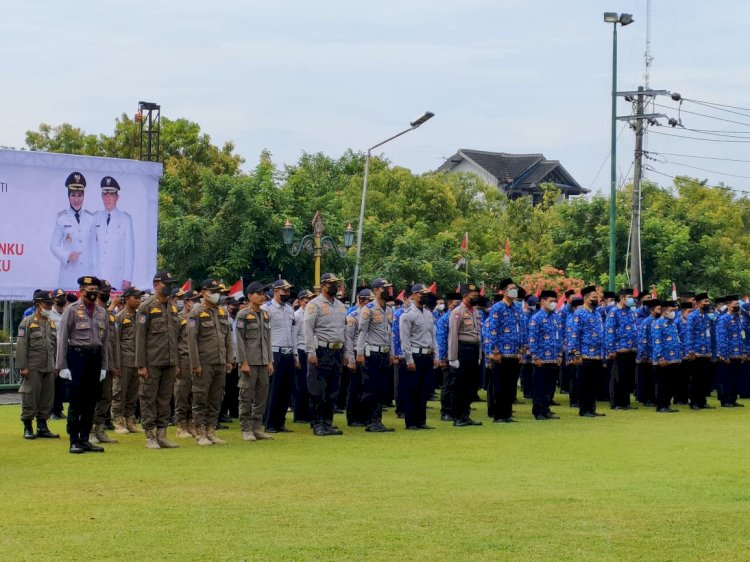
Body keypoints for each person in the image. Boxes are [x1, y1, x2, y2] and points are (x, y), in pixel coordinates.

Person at [56, 276, 109, 454]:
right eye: (89, 290)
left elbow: (105, 342)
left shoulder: (102, 312)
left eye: (95, 289)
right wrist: (62, 365)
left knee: (91, 401)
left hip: (94, 359)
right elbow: (62, 339)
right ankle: (74, 440)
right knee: (76, 401)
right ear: (81, 291)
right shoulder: (71, 310)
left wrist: (104, 366)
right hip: (77, 358)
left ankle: (86, 438)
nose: (93, 293)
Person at [136, 271, 181, 449]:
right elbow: (140, 338)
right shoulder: (146, 307)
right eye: (166, 283)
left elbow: (176, 337)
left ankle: (162, 434)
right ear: (156, 285)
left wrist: (176, 362)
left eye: (171, 283)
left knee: (165, 399)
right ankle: (150, 436)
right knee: (148, 398)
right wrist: (141, 365)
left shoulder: (173, 307)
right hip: (152, 362)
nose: (169, 287)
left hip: (169, 361)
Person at [187, 278, 234, 445]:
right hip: (204, 362)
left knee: (216, 398)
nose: (216, 295)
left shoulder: (222, 312)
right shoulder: (196, 313)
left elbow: (228, 337)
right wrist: (195, 364)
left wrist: (229, 359)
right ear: (204, 293)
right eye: (213, 291)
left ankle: (210, 430)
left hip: (220, 362)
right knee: (201, 397)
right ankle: (200, 433)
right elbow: (191, 341)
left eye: (218, 292)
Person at [304, 273, 348, 436]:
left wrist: (346, 352)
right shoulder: (314, 305)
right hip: (321, 350)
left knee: (333, 389)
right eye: (331, 284)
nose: (335, 286)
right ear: (323, 285)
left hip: (337, 350)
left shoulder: (340, 305)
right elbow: (308, 330)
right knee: (318, 389)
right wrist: (311, 352)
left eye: (336, 283)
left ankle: (328, 422)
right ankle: (317, 423)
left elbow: (345, 330)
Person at [16, 290, 60, 440]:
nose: (49, 307)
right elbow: (21, 346)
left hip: (48, 366)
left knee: (47, 398)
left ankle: (42, 426)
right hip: (33, 366)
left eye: (50, 304)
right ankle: (27, 427)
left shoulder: (51, 323)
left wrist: (55, 365)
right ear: (37, 304)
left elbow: (55, 346)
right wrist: (23, 366)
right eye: (47, 304)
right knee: (30, 397)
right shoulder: (27, 322)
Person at [236, 281, 274, 442]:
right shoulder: (243, 315)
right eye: (258, 293)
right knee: (246, 395)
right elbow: (239, 340)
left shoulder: (265, 315)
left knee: (261, 395)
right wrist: (243, 361)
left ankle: (257, 428)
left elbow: (268, 339)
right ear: (250, 296)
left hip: (263, 361)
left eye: (263, 293)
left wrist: (270, 361)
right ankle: (246, 429)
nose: (262, 296)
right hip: (249, 362)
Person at [356, 279, 396, 433]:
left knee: (381, 389)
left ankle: (377, 420)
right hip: (371, 352)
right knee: (370, 388)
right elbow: (362, 332)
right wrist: (359, 353)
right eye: (386, 288)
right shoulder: (369, 309)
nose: (389, 291)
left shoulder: (388, 310)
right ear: (377, 290)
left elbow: (389, 333)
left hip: (384, 353)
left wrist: (391, 353)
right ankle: (370, 421)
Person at [399, 283, 439, 430]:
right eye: (421, 293)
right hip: (414, 355)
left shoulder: (428, 313)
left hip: (427, 355)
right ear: (414, 295)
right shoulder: (407, 314)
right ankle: (411, 422)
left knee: (424, 390)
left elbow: (433, 336)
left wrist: (436, 355)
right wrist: (409, 359)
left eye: (425, 293)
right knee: (412, 390)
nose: (424, 296)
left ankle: (421, 421)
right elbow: (405, 339)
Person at [261, 279, 299, 433]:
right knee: (274, 390)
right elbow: (264, 335)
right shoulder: (266, 309)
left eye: (288, 291)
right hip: (275, 352)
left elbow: (293, 334)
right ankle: (269, 423)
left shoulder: (290, 309)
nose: (287, 294)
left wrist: (295, 355)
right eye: (284, 291)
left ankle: (280, 422)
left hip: (288, 352)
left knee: (286, 390)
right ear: (276, 291)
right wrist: (268, 358)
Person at [484, 278, 524, 423]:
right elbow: (492, 330)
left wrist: (521, 350)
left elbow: (521, 330)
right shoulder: (498, 308)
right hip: (501, 354)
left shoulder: (517, 308)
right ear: (504, 291)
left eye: (515, 288)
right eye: (512, 288)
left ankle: (507, 414)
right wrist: (494, 351)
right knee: (500, 386)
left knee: (511, 386)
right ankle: (499, 415)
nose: (515, 291)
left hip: (514, 353)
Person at [50, 172, 96, 289]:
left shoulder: (91, 218)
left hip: (87, 273)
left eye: (80, 195)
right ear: (68, 196)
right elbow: (54, 245)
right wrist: (66, 256)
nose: (76, 199)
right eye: (73, 195)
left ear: (83, 196)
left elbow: (96, 247)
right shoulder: (62, 218)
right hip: (69, 274)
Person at [446, 282, 483, 427]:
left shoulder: (475, 311)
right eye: (473, 295)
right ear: (465, 295)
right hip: (462, 350)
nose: (475, 298)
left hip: (473, 350)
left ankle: (466, 415)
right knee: (459, 385)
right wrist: (453, 357)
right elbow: (453, 336)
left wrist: (479, 355)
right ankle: (457, 416)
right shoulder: (457, 312)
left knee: (470, 385)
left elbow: (478, 335)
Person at [566, 286, 606, 418]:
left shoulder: (597, 313)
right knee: (584, 383)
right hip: (584, 354)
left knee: (594, 384)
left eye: (597, 297)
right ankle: (584, 409)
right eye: (594, 297)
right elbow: (573, 334)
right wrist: (575, 353)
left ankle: (591, 408)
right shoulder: (579, 313)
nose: (596, 300)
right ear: (586, 298)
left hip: (596, 355)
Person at [88, 280, 118, 444]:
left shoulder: (106, 313)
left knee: (106, 396)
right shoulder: (89, 312)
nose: (108, 294)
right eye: (105, 291)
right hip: (93, 361)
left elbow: (112, 341)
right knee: (93, 397)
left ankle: (100, 429)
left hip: (107, 361)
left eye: (109, 291)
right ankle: (90, 430)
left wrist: (115, 363)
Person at [112, 286, 145, 434]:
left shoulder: (141, 317)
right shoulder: (119, 317)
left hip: (137, 361)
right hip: (124, 360)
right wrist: (116, 363)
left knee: (133, 393)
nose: (138, 300)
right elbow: (115, 342)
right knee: (119, 391)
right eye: (135, 297)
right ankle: (118, 421)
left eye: (140, 298)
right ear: (127, 299)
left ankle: (130, 420)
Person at [93, 176, 134, 290]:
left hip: (117, 275)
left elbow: (129, 251)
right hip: (97, 275)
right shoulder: (95, 217)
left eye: (111, 194)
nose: (108, 198)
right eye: (105, 194)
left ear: (117, 197)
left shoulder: (125, 219)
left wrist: (127, 278)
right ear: (101, 197)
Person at [528, 290, 563, 420]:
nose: (554, 303)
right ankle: (538, 411)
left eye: (555, 301)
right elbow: (533, 338)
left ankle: (546, 408)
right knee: (540, 386)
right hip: (541, 358)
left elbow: (559, 337)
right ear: (542, 301)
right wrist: (535, 356)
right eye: (551, 301)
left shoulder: (556, 317)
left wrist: (560, 355)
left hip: (554, 358)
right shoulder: (536, 318)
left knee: (550, 386)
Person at [604, 288, 639, 410]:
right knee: (618, 377)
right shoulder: (614, 312)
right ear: (622, 298)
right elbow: (609, 332)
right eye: (629, 297)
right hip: (619, 349)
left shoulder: (631, 312)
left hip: (631, 349)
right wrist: (611, 349)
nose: (631, 300)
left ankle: (626, 402)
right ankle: (616, 402)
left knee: (628, 377)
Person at [174, 289, 201, 437]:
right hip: (183, 358)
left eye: (198, 300)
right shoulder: (178, 318)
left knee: (194, 393)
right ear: (186, 302)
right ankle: (181, 425)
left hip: (196, 359)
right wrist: (176, 364)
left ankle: (191, 423)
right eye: (194, 300)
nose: (196, 303)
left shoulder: (198, 318)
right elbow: (173, 342)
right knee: (182, 392)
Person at [344, 289, 372, 427]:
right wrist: (351, 360)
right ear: (361, 300)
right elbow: (348, 339)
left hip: (368, 353)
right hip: (355, 352)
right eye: (367, 300)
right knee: (355, 388)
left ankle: (365, 416)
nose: (370, 303)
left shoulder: (373, 314)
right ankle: (353, 417)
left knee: (367, 387)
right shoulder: (353, 316)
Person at [651, 300, 683, 413]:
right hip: (663, 359)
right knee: (662, 383)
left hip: (674, 359)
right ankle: (661, 405)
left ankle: (667, 404)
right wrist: (660, 357)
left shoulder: (672, 323)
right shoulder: (658, 323)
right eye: (671, 310)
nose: (674, 313)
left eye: (674, 310)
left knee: (671, 383)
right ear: (664, 311)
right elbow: (657, 342)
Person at [685, 293, 715, 409]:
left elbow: (711, 334)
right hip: (696, 352)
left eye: (708, 301)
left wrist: (712, 350)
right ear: (698, 303)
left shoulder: (708, 317)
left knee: (705, 378)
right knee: (696, 378)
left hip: (706, 351)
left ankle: (702, 401)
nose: (707, 304)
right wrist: (691, 350)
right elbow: (689, 334)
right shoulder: (692, 316)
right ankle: (694, 402)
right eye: (705, 301)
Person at [715, 295, 746, 408]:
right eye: (735, 304)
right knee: (726, 378)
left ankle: (732, 399)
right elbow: (722, 337)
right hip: (727, 354)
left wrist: (743, 352)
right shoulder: (723, 319)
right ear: (728, 305)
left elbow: (741, 336)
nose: (737, 306)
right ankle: (725, 400)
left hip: (737, 353)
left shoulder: (738, 318)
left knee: (735, 378)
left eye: (738, 304)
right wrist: (724, 354)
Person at [436, 292, 460, 421]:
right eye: (455, 303)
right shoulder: (444, 319)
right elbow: (441, 339)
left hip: (458, 355)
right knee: (447, 384)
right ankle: (445, 411)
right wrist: (443, 357)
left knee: (457, 384)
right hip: (448, 356)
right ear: (449, 304)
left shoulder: (459, 316)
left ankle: (455, 410)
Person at [292, 289, 314, 424]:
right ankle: (299, 415)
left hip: (310, 351)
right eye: (306, 301)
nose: (309, 304)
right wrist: (296, 357)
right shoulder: (297, 316)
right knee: (301, 385)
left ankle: (308, 413)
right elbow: (293, 336)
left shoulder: (312, 314)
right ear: (300, 301)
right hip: (300, 350)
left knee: (311, 385)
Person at [48, 288, 69, 420]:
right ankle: (51, 410)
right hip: (53, 351)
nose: (61, 300)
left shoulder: (67, 312)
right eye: (59, 297)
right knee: (52, 382)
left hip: (66, 351)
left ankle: (59, 409)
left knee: (62, 382)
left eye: (63, 297)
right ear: (54, 299)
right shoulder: (49, 314)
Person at [636, 299, 661, 406]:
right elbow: (643, 339)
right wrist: (643, 354)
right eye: (659, 309)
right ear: (652, 310)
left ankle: (654, 398)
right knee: (648, 379)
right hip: (648, 355)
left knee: (655, 379)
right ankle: (647, 399)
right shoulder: (647, 322)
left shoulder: (660, 321)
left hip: (657, 354)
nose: (660, 311)